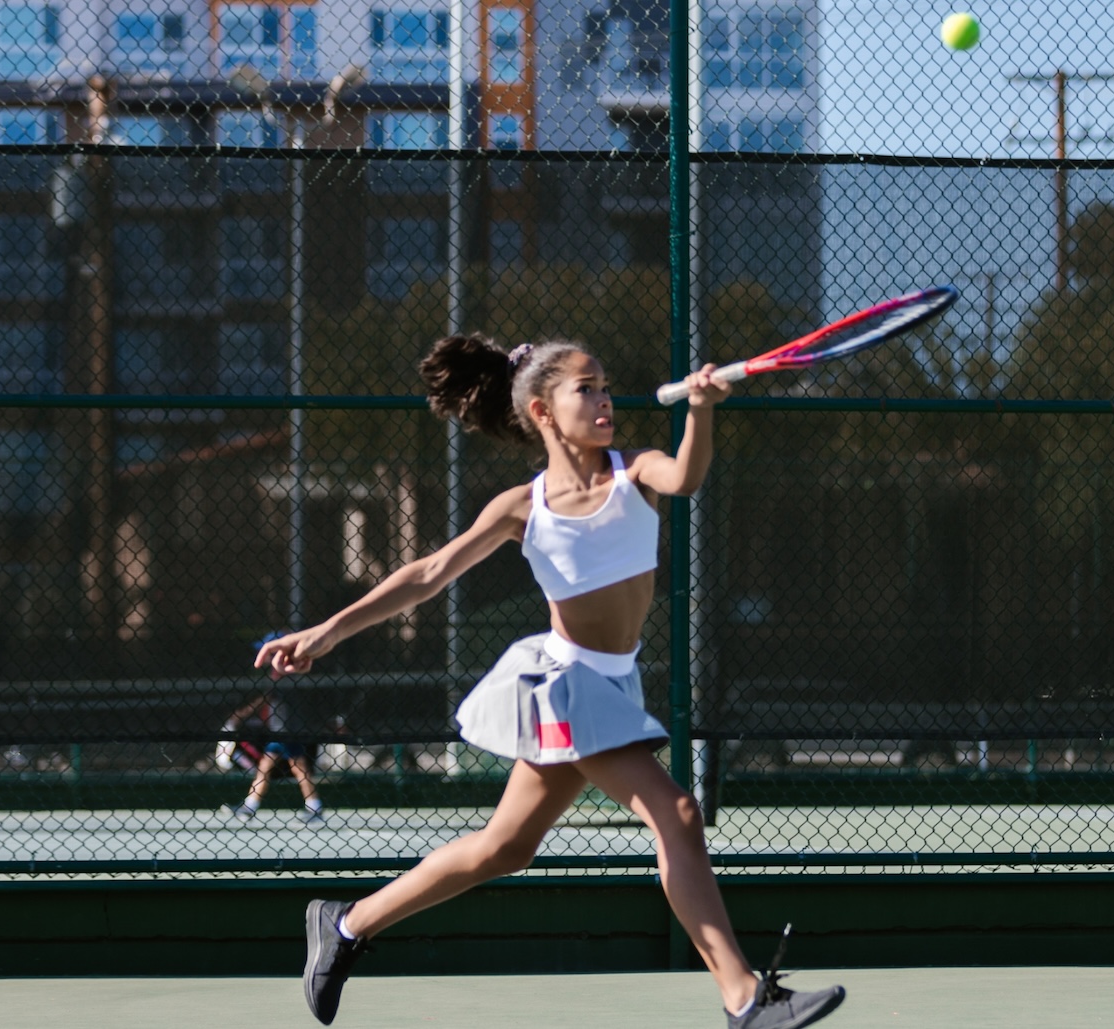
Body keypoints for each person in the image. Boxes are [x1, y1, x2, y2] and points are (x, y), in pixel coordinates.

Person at [254, 335, 846, 1028]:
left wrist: (704, 410)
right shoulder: (521, 507)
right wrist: (324, 632)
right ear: (542, 409)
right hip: (564, 684)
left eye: (606, 385)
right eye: (586, 388)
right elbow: (425, 574)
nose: (604, 400)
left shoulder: (633, 470)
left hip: (613, 687)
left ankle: (346, 924)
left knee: (506, 847)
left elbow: (686, 476)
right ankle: (744, 996)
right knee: (677, 813)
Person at [218, 683, 324, 826]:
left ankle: (315, 808)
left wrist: (243, 713)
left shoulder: (284, 682)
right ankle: (249, 808)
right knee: (264, 770)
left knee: (300, 771)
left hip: (286, 734)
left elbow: (263, 700)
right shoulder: (278, 683)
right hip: (277, 734)